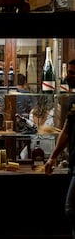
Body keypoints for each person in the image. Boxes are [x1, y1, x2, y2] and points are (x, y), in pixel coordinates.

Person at [45, 59, 75, 238]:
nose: (69, 76)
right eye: (68, 72)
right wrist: (53, 157)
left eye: (72, 73)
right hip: (73, 161)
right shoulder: (72, 100)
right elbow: (66, 130)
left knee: (71, 209)